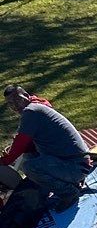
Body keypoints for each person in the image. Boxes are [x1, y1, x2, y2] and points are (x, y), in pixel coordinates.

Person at [0, 83, 91, 220]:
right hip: (77, 163)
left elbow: (20, 143)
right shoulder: (38, 105)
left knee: (29, 166)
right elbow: (25, 144)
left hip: (75, 168)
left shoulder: (31, 112)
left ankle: (68, 192)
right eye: (11, 103)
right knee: (30, 156)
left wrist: (5, 160)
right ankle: (50, 188)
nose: (15, 105)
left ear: (26, 95)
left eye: (17, 99)